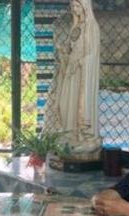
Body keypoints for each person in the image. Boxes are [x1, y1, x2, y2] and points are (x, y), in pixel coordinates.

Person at [44, 0, 101, 157]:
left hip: (83, 76)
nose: (75, 10)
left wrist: (80, 62)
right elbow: (71, 51)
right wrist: (64, 54)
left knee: (79, 106)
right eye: (73, 6)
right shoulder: (75, 28)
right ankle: (70, 135)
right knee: (66, 105)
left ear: (85, 7)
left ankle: (84, 138)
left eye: (78, 6)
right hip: (71, 75)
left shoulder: (92, 28)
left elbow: (92, 55)